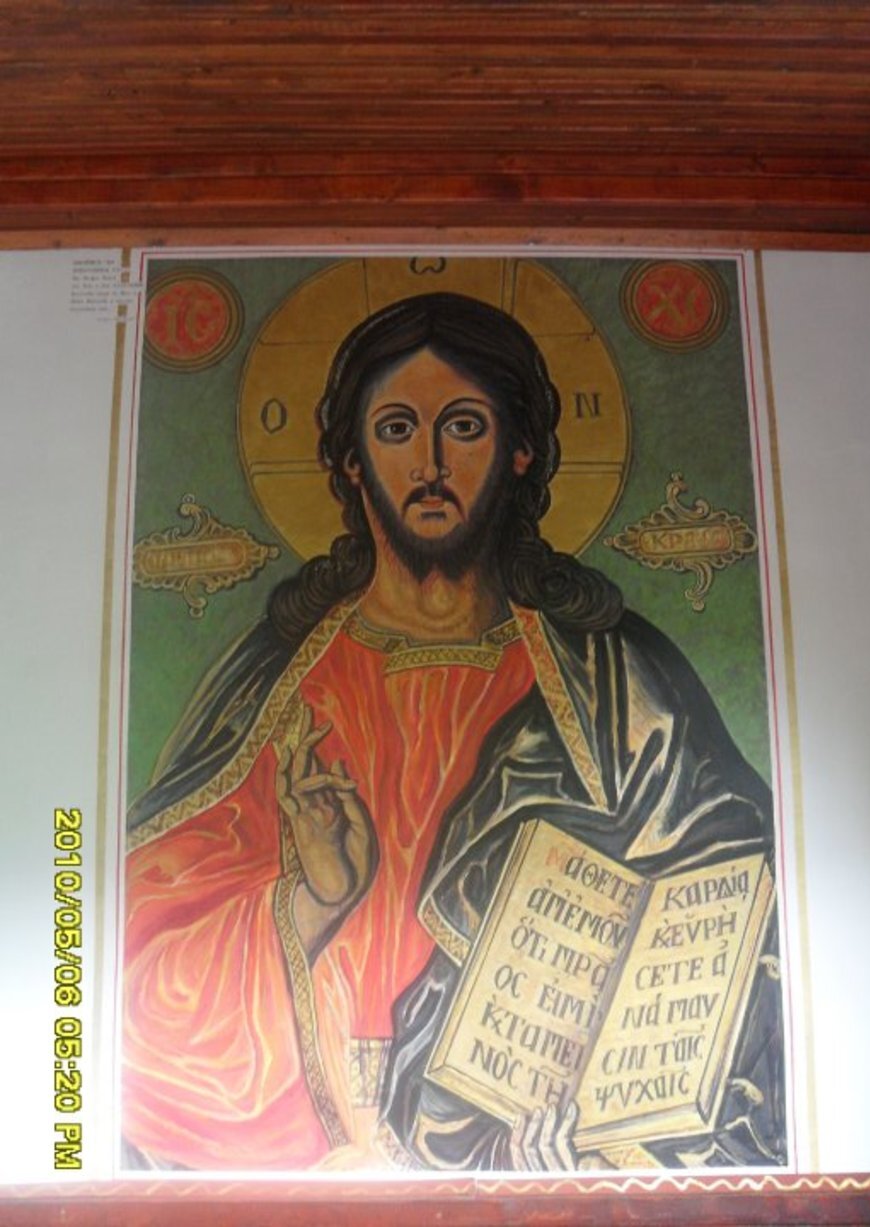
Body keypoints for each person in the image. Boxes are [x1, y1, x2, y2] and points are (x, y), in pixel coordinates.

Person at [123, 291, 784, 1172]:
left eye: (464, 427)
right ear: (352, 460)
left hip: (550, 1142)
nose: (430, 463)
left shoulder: (613, 678)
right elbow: (131, 983)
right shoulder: (277, 689)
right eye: (396, 429)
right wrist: (317, 899)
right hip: (318, 1164)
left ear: (518, 450)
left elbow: (736, 915)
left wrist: (604, 1119)